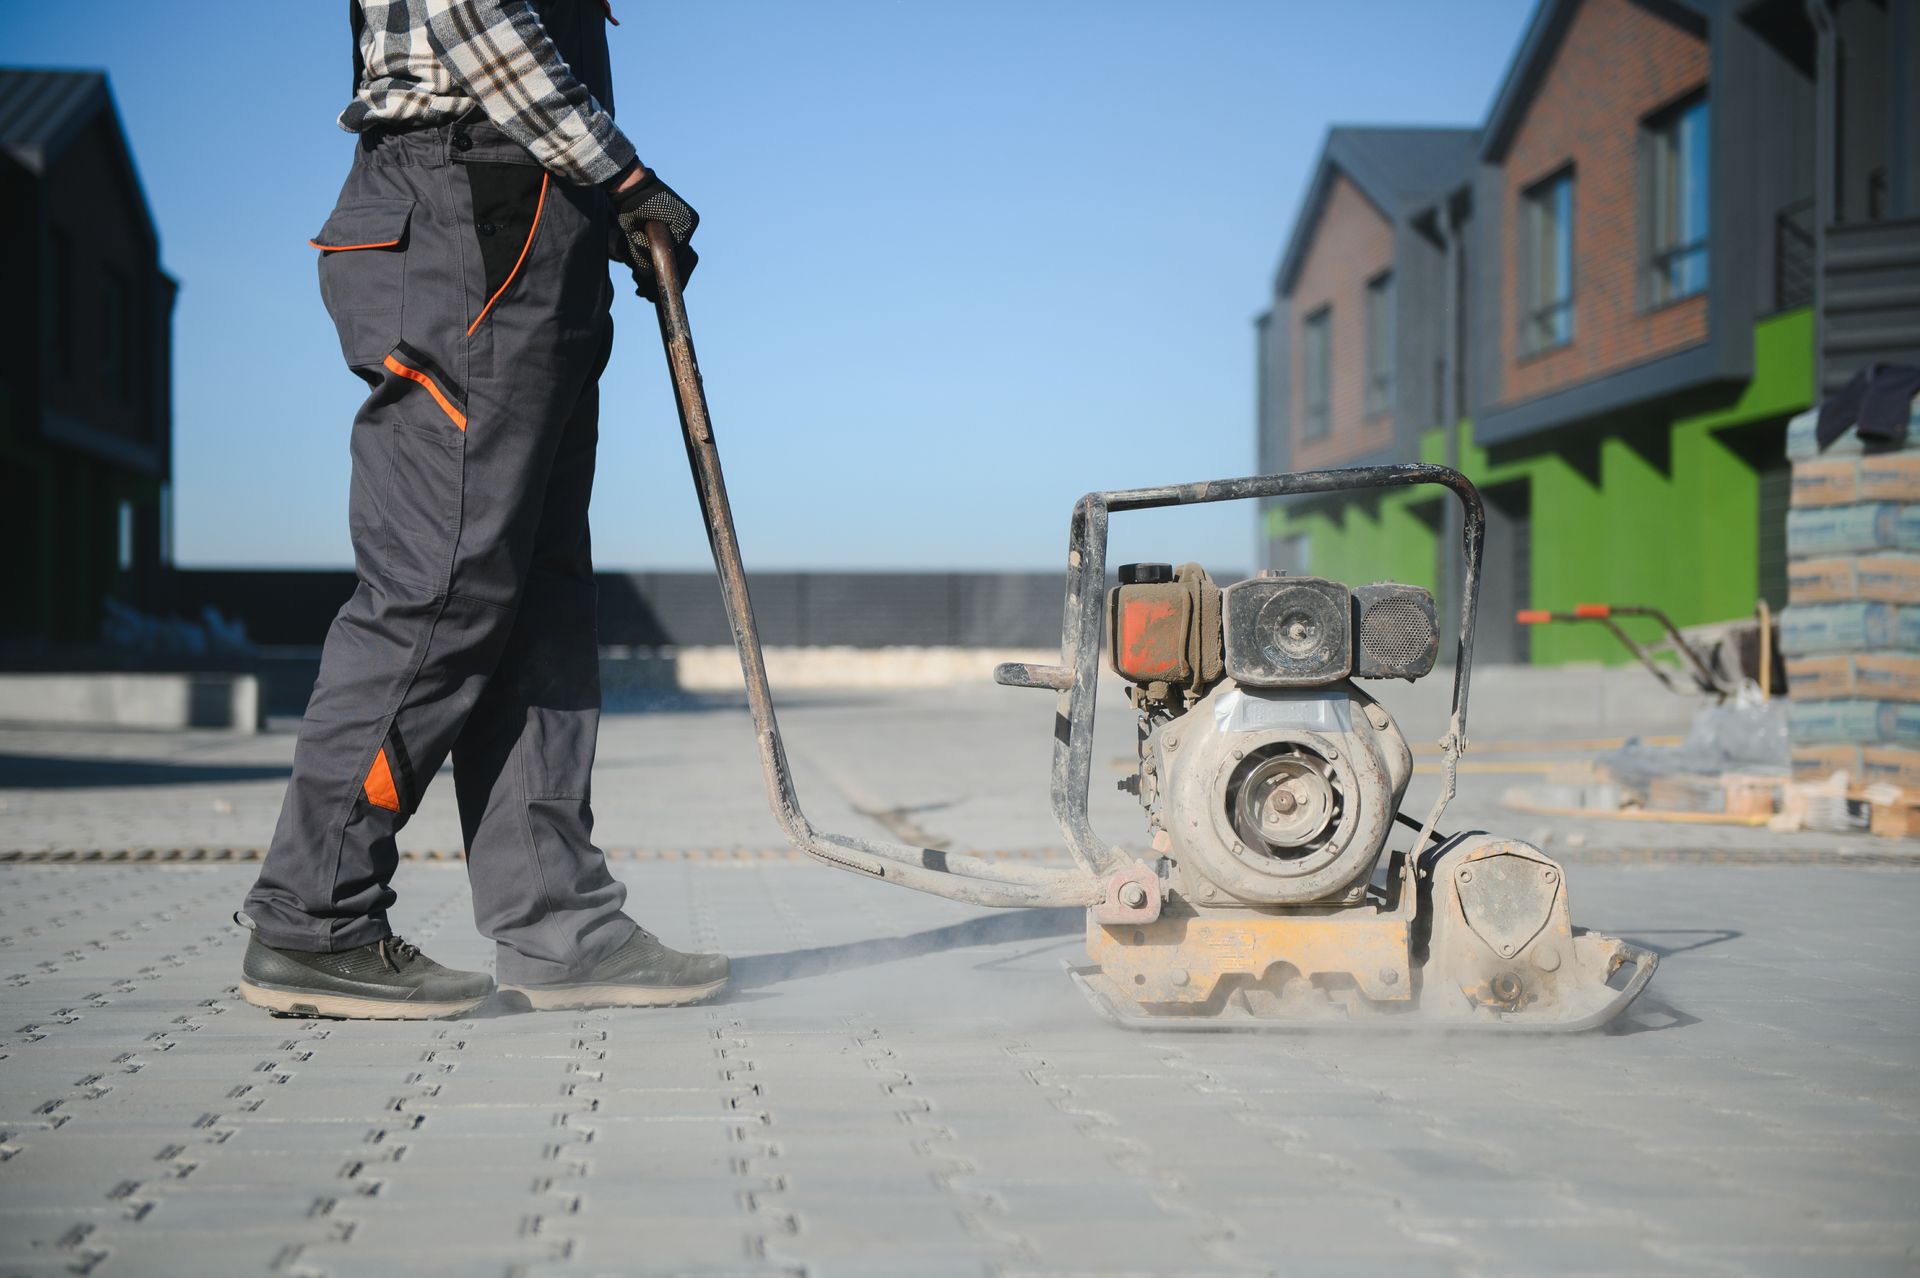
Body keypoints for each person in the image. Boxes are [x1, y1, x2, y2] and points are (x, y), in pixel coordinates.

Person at [235, 0, 725, 1019]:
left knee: (536, 587)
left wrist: (601, 197)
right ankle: (311, 917)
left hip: (534, 215)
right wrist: (621, 173)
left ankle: (561, 924)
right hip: (470, 204)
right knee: (442, 580)